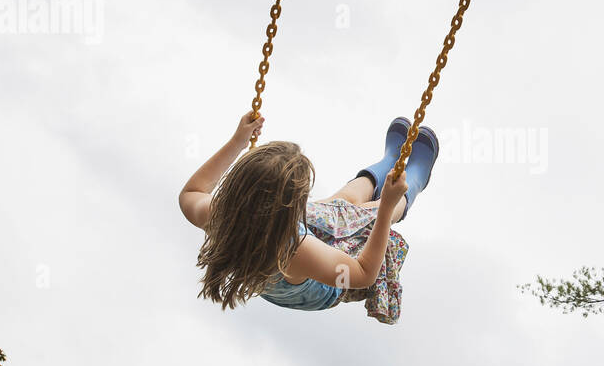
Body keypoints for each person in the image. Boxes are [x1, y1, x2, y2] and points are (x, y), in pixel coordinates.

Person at [179, 113, 439, 325]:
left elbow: (193, 192)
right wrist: (386, 208)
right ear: (292, 209)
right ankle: (414, 180)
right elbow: (363, 272)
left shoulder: (221, 213)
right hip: (320, 286)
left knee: (343, 205)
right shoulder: (296, 249)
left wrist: (238, 141)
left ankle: (389, 161)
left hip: (270, 250)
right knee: (366, 216)